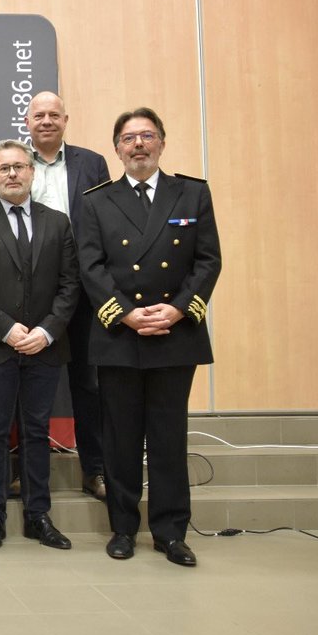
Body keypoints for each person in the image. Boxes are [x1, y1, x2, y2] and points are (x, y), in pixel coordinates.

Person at [78, 107, 221, 566]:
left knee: (167, 437)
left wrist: (178, 310)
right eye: (128, 138)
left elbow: (208, 261)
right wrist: (125, 314)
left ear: (162, 141)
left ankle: (171, 532)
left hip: (173, 335)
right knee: (119, 439)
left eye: (146, 136)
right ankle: (122, 528)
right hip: (120, 335)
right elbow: (90, 266)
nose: (138, 144)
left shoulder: (192, 193)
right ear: (116, 148)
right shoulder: (96, 200)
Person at [0, 140, 80, 551]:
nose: (12, 174)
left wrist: (45, 332)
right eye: (4, 168)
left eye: (20, 167)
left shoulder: (58, 222)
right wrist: (8, 330)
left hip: (44, 347)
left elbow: (69, 285)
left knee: (36, 432)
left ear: (32, 172)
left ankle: (37, 516)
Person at [25, 91, 112, 501]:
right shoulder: (13, 162)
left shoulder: (91, 164)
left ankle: (94, 469)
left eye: (53, 115)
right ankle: (23, 471)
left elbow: (109, 222)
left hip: (86, 291)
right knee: (23, 386)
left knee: (89, 386)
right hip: (31, 292)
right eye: (39, 114)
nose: (46, 121)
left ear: (65, 120)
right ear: (27, 122)